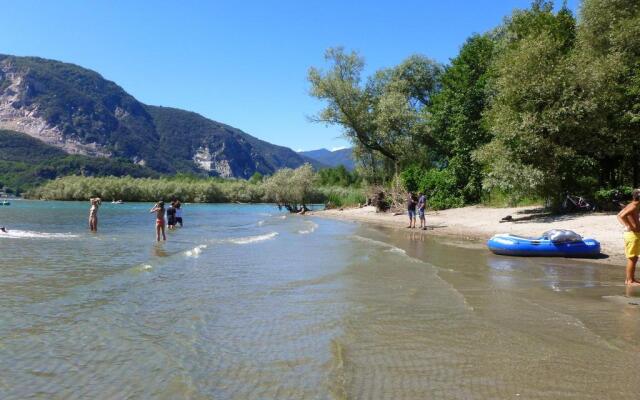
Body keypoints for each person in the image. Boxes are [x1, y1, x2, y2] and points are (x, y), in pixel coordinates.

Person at [617, 189, 640, 286]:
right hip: (632, 235)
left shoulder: (631, 205)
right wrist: (628, 226)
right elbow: (622, 215)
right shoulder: (634, 206)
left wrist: (626, 226)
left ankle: (630, 279)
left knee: (633, 258)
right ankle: (630, 281)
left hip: (632, 235)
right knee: (632, 258)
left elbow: (618, 215)